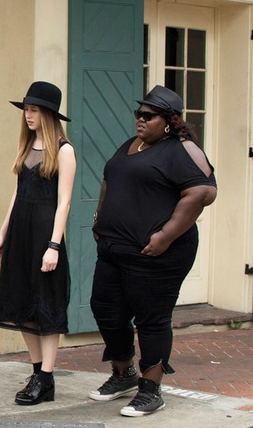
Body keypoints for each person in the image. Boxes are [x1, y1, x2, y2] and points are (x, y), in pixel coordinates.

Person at [88, 85, 217, 417]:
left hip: (157, 254)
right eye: (138, 114)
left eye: (149, 115)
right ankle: (123, 374)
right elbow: (110, 178)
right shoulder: (132, 145)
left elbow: (203, 192)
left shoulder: (182, 149)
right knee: (105, 310)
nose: (140, 120)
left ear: (170, 121)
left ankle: (151, 389)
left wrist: (166, 235)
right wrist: (100, 217)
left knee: (151, 319)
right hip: (115, 249)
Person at [0, 81, 76, 406]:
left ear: (48, 113)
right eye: (26, 109)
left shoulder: (64, 150)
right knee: (23, 304)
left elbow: (65, 202)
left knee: (47, 306)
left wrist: (54, 245)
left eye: (34, 109)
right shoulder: (26, 148)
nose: (28, 115)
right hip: (20, 236)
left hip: (45, 235)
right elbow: (18, 194)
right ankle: (37, 372)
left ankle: (47, 379)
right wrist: (2, 233)